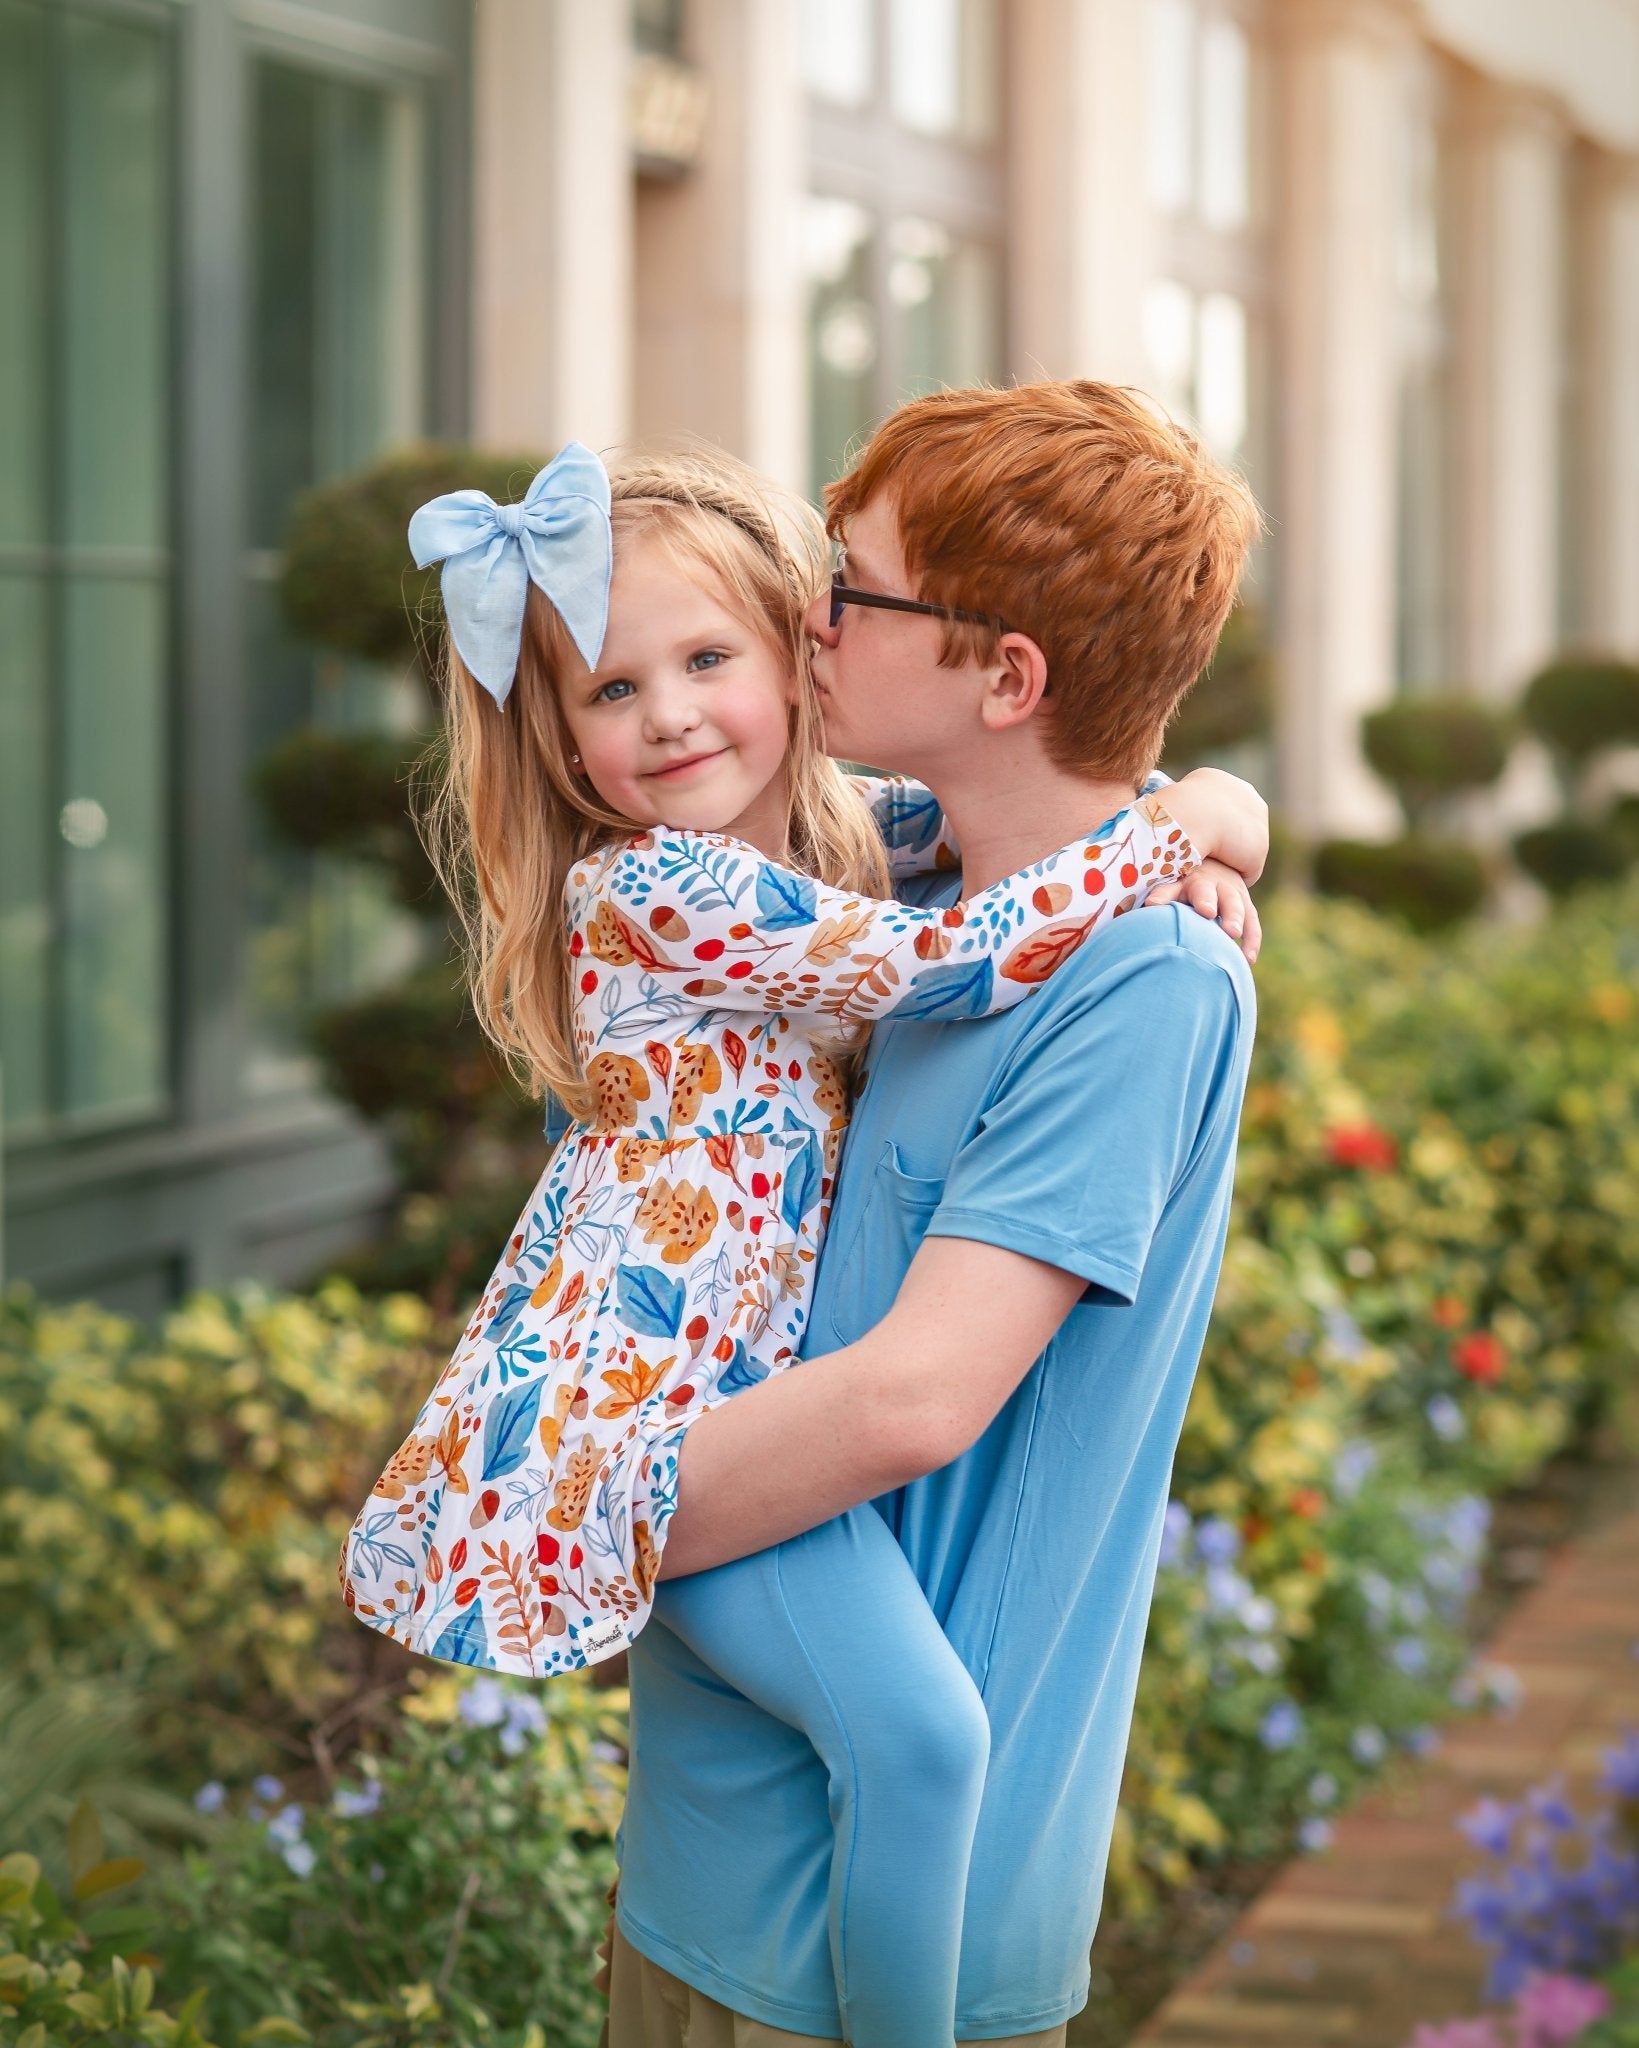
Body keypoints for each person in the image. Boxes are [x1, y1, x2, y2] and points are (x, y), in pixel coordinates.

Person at [338, 440, 1265, 2048]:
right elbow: (953, 960)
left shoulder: (844, 851)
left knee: (921, 1748)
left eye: (716, 656)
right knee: (917, 1746)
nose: (671, 712)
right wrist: (1162, 849)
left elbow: (1012, 852)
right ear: (555, 731)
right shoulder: (667, 887)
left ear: (787, 652)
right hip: (655, 1413)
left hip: (721, 1410)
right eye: (610, 691)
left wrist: (1212, 822)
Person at [603, 381, 1265, 2048]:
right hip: (700, 1862)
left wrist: (583, 1514)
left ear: (1005, 675)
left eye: (855, 587)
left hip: (884, 1951)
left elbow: (916, 1395)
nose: (806, 621)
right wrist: (1219, 809)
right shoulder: (884, 889)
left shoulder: (1143, 980)